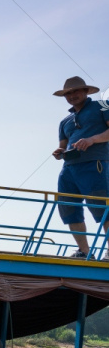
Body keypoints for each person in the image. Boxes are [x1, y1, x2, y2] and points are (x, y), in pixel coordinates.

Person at [51, 76, 109, 259]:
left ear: (86, 91)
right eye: (68, 93)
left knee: (102, 208)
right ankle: (84, 252)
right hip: (68, 169)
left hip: (94, 164)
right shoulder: (65, 121)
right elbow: (63, 144)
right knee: (68, 209)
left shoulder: (103, 106)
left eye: (76, 91)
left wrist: (92, 139)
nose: (72, 95)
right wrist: (59, 151)